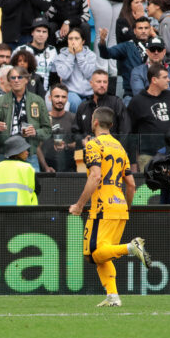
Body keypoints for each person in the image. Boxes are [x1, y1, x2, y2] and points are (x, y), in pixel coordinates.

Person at [69, 106, 151, 308]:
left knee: (94, 253)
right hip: (119, 205)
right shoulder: (120, 148)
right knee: (103, 254)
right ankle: (113, 296)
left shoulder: (93, 145)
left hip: (102, 206)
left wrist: (79, 205)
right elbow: (131, 184)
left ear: (94, 122)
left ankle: (131, 248)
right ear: (111, 125)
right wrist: (126, 207)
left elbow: (96, 176)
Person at [0, 65, 52, 170]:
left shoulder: (37, 101)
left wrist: (35, 132)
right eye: (13, 78)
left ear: (26, 80)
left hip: (29, 154)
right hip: (6, 154)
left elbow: (47, 130)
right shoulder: (1, 101)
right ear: (9, 81)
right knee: (6, 186)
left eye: (20, 77)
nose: (16, 80)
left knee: (33, 186)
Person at [127, 63, 170, 171]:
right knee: (150, 187)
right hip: (148, 156)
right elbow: (130, 134)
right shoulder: (137, 102)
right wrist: (133, 162)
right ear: (154, 80)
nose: (168, 80)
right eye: (165, 77)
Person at [98, 18, 151, 101]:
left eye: (146, 28)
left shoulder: (157, 47)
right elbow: (106, 54)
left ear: (150, 29)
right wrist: (102, 41)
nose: (143, 31)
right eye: (140, 28)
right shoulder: (126, 46)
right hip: (131, 94)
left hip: (153, 93)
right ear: (134, 31)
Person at [73, 69, 131, 144]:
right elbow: (75, 131)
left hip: (111, 151)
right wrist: (82, 141)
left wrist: (116, 147)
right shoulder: (83, 106)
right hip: (88, 151)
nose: (102, 85)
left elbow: (125, 130)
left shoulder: (116, 103)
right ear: (91, 83)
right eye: (99, 82)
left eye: (105, 82)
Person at [37, 83, 77, 172]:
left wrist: (66, 146)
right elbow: (37, 146)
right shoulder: (43, 119)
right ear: (50, 98)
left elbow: (80, 143)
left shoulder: (73, 118)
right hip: (47, 171)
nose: (60, 100)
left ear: (67, 99)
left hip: (69, 170)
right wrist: (45, 167)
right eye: (57, 96)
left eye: (63, 97)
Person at [53, 28, 96, 109]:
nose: (73, 41)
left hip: (89, 93)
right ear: (67, 41)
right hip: (70, 92)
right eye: (70, 39)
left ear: (83, 41)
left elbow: (89, 74)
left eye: (77, 38)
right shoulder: (61, 56)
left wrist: (79, 54)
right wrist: (71, 55)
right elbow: (64, 75)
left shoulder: (91, 55)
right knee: (75, 101)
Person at [0, 134, 38, 204]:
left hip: (2, 210)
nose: (27, 152)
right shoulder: (27, 168)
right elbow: (37, 188)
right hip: (25, 210)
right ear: (18, 152)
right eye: (24, 150)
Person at [13, 17, 57, 91]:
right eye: (38, 31)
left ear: (48, 34)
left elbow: (54, 76)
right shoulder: (21, 50)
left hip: (45, 92)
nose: (41, 34)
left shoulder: (52, 51)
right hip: (25, 90)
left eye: (44, 32)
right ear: (32, 32)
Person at [147, 0, 170, 65]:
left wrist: (154, 35)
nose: (147, 8)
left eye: (149, 4)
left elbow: (167, 48)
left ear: (157, 6)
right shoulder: (168, 19)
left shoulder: (166, 22)